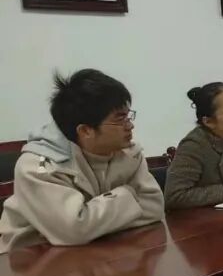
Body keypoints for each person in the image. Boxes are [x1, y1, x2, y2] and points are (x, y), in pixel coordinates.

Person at [0, 69, 164, 252]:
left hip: (102, 249)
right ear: (85, 130)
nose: (130, 125)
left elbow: (154, 207)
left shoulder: (129, 153)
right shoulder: (39, 166)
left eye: (128, 116)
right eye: (120, 119)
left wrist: (91, 223)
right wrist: (129, 195)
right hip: (31, 258)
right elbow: (74, 230)